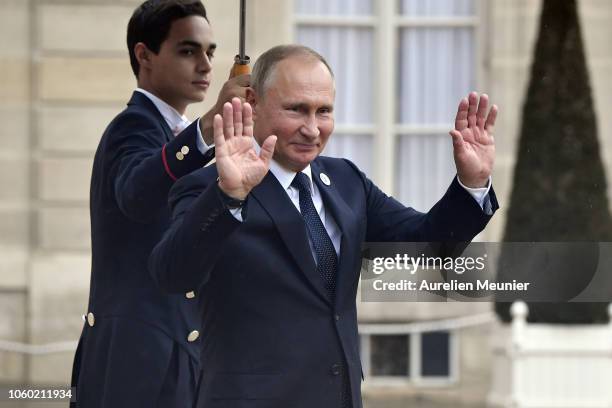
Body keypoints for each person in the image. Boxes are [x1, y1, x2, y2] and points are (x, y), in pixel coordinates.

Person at [149, 44, 499, 408]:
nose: (312, 129)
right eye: (297, 109)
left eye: (324, 111)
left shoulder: (346, 181)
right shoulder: (209, 189)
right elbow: (171, 274)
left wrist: (470, 184)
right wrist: (229, 195)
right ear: (253, 101)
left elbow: (427, 246)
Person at [69, 1, 250, 406]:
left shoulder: (189, 140)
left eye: (211, 52)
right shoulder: (133, 126)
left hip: (188, 355)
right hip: (140, 361)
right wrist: (209, 124)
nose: (205, 65)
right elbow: (137, 194)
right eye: (188, 51)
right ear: (144, 55)